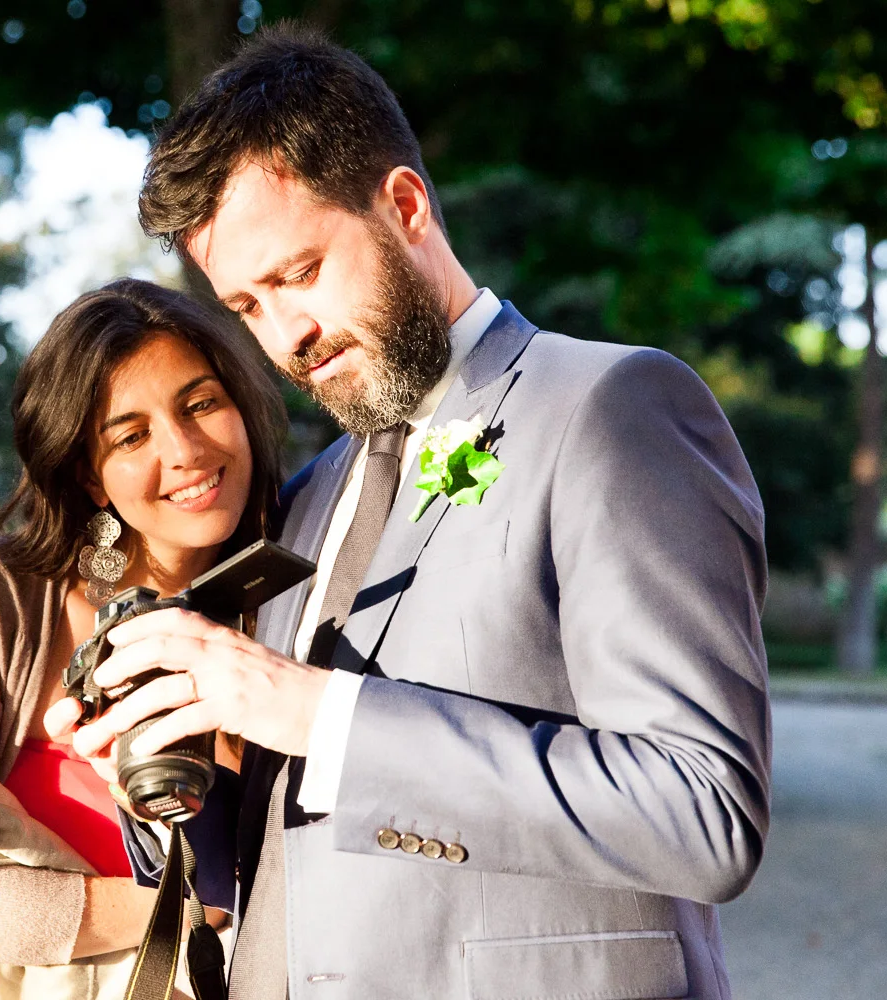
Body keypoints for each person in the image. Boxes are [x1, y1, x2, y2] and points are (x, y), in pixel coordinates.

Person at [56, 25, 770, 1000]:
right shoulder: (307, 499)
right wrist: (161, 776)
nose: (288, 334)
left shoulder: (612, 408)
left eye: (299, 274)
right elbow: (271, 865)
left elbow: (703, 814)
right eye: (248, 305)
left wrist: (316, 711)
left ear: (404, 206)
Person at [0, 278, 286, 1000]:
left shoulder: (306, 593)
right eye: (132, 436)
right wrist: (184, 912)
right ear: (89, 475)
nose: (184, 450)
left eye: (201, 404)